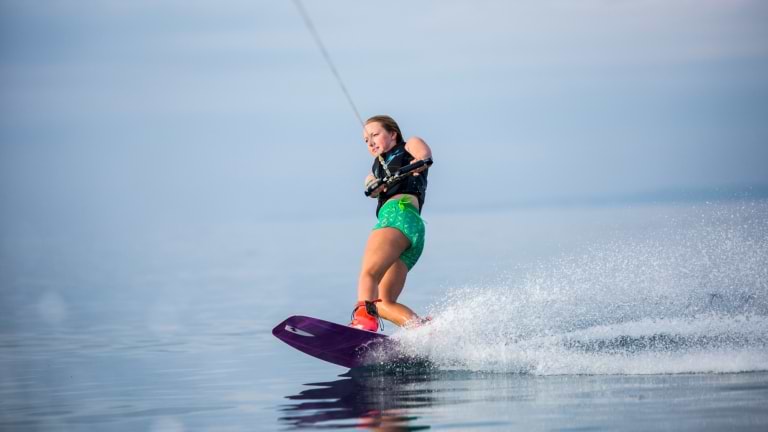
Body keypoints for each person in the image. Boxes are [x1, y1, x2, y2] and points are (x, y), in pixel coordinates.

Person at [349, 115, 432, 331]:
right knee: (383, 303)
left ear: (392, 134)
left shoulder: (409, 145)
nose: (370, 142)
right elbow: (369, 186)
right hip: (413, 231)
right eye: (366, 140)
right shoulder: (374, 169)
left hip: (397, 216)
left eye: (375, 135)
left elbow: (424, 156)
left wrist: (419, 163)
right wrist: (374, 187)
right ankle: (424, 333)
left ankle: (362, 323)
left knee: (369, 274)